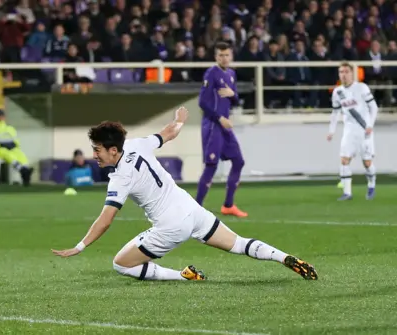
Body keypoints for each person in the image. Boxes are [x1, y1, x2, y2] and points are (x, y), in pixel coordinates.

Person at [51, 107, 318, 281]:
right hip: (191, 209)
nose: (94, 155)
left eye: (97, 149)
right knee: (239, 243)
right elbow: (168, 133)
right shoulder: (137, 144)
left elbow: (106, 220)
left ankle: (183, 276)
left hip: (171, 226)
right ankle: (284, 257)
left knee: (121, 264)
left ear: (112, 150)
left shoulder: (120, 178)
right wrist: (179, 120)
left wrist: (79, 246)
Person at [195, 42, 247, 218]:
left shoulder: (231, 74)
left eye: (227, 55)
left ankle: (228, 205)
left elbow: (236, 100)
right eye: (220, 55)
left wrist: (234, 95)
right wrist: (219, 118)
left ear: (231, 56)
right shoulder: (211, 73)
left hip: (225, 127)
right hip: (212, 126)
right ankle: (196, 208)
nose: (224, 58)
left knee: (239, 161)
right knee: (211, 165)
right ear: (216, 57)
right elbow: (202, 102)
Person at [328, 62, 378, 200]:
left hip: (364, 130)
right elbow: (335, 112)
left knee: (367, 163)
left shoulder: (361, 88)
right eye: (341, 72)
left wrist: (370, 125)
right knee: (344, 160)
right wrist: (331, 130)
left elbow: (374, 108)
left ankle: (371, 184)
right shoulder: (337, 92)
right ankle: (347, 193)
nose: (343, 75)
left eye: (346, 72)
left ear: (351, 73)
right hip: (349, 130)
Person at [0, 110, 33, 186]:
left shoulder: (9, 127)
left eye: (2, 116)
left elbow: (16, 140)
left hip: (10, 147)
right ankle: (23, 171)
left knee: (20, 154)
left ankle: (25, 172)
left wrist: (13, 144)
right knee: (7, 154)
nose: (1, 117)